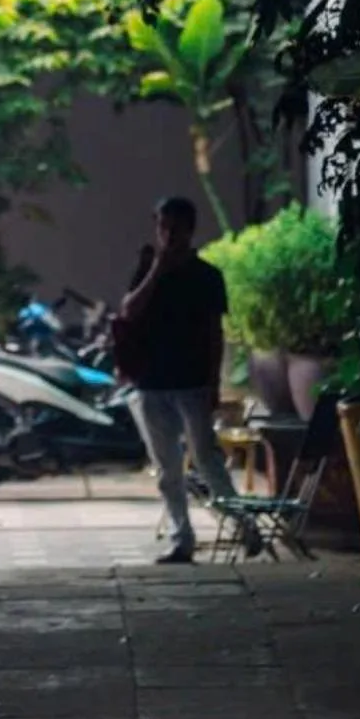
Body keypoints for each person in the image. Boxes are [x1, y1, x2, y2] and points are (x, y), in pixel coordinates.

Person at [119, 195, 253, 565]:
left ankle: (244, 527)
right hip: (152, 382)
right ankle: (182, 538)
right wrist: (156, 270)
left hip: (192, 381)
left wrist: (213, 383)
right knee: (167, 468)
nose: (168, 234)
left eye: (175, 227)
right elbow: (129, 311)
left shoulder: (207, 276)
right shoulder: (148, 269)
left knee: (207, 459)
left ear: (190, 230)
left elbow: (215, 333)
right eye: (162, 226)